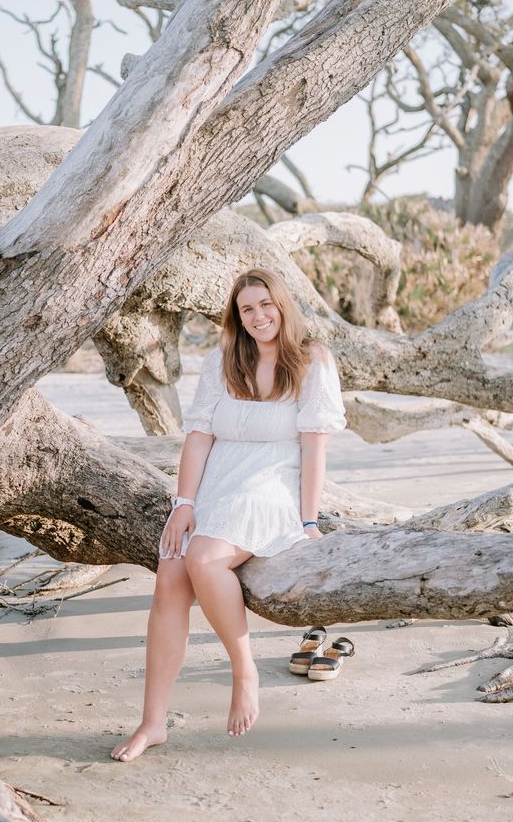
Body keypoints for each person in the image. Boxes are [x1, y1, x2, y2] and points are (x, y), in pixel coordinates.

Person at [110, 266, 346, 762]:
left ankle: (245, 671)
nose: (259, 316)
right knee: (170, 576)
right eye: (247, 309)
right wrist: (184, 504)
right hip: (219, 485)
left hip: (271, 486)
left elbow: (314, 449)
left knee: (206, 560)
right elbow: (198, 437)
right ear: (237, 318)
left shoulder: (311, 361)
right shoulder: (223, 362)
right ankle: (153, 723)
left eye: (266, 304)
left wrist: (307, 521)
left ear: (282, 304)